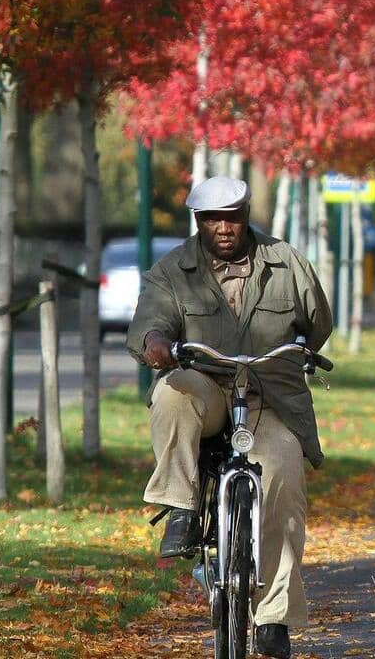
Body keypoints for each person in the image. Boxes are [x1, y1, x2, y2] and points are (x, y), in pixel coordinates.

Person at [129, 175, 334, 659]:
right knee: (173, 393)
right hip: (209, 389)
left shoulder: (285, 262)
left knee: (284, 476)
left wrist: (295, 354)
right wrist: (157, 346)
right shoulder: (172, 271)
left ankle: (273, 618)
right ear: (198, 221)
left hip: (270, 397)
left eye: (233, 216)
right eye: (213, 218)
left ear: (246, 215)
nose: (224, 226)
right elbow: (148, 325)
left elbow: (317, 324)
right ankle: (179, 508)